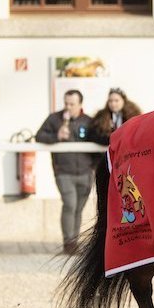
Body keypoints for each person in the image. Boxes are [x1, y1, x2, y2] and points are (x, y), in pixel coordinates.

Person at [36, 89, 95, 247]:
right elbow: (39, 136)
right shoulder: (55, 119)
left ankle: (74, 240)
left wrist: (94, 167)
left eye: (72, 104)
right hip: (63, 171)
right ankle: (68, 242)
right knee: (70, 204)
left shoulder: (88, 121)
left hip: (85, 172)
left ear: (80, 104)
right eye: (66, 103)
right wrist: (56, 137)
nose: (68, 107)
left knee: (78, 208)